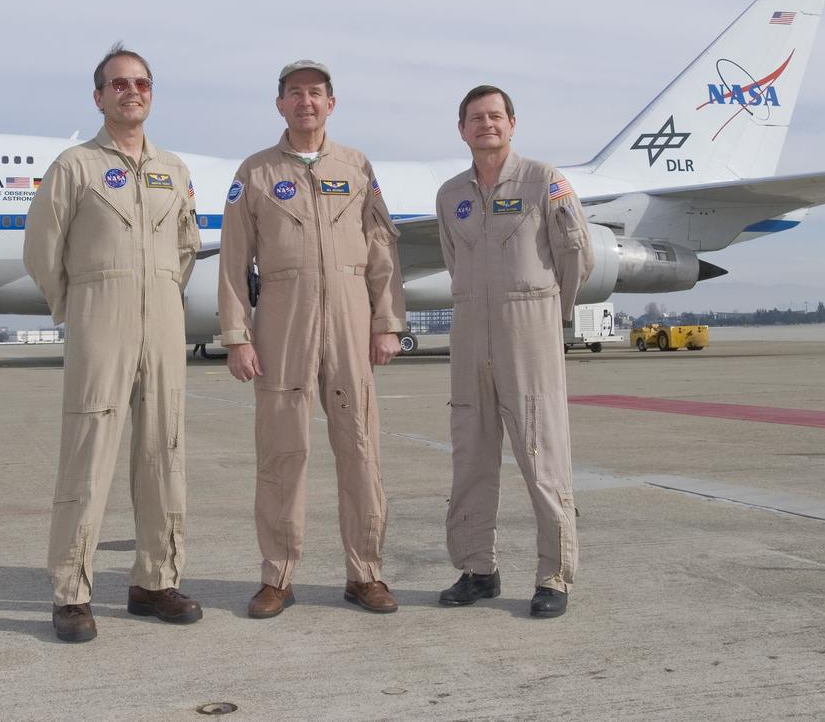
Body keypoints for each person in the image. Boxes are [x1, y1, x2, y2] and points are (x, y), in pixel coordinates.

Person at [23, 42, 202, 644]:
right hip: (102, 314)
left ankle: (155, 579)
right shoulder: (74, 167)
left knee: (165, 450)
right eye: (119, 84)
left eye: (142, 84)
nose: (132, 92)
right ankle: (71, 591)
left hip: (163, 319)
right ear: (98, 96)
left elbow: (185, 245)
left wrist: (162, 291)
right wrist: (78, 303)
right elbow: (42, 250)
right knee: (89, 450)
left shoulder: (173, 169)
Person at [218, 59, 407, 619]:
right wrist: (237, 335)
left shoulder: (356, 166)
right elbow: (232, 261)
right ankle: (276, 577)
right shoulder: (254, 172)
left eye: (316, 93)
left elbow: (381, 248)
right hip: (282, 317)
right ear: (280, 104)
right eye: (295, 93)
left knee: (361, 449)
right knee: (281, 452)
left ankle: (366, 573)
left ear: (331, 103)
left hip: (350, 317)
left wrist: (386, 322)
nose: (306, 102)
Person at [434, 85, 595, 618]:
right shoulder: (451, 194)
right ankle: (478, 569)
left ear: (512, 123)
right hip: (469, 331)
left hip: (528, 327)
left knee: (541, 454)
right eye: (476, 118)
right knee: (471, 456)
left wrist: (548, 311)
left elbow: (577, 255)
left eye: (495, 116)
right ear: (462, 129)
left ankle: (554, 575)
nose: (487, 124)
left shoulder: (544, 182)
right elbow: (454, 260)